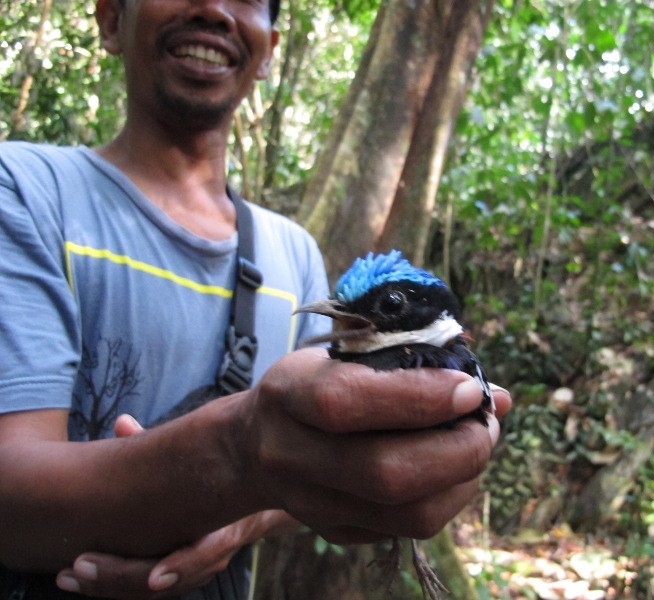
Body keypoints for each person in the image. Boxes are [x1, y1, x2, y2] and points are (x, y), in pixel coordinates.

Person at [0, 0, 511, 599]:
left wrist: (241, 510)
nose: (214, 10)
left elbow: (311, 469)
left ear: (269, 48)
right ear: (112, 17)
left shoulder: (293, 251)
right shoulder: (24, 190)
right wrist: (232, 457)